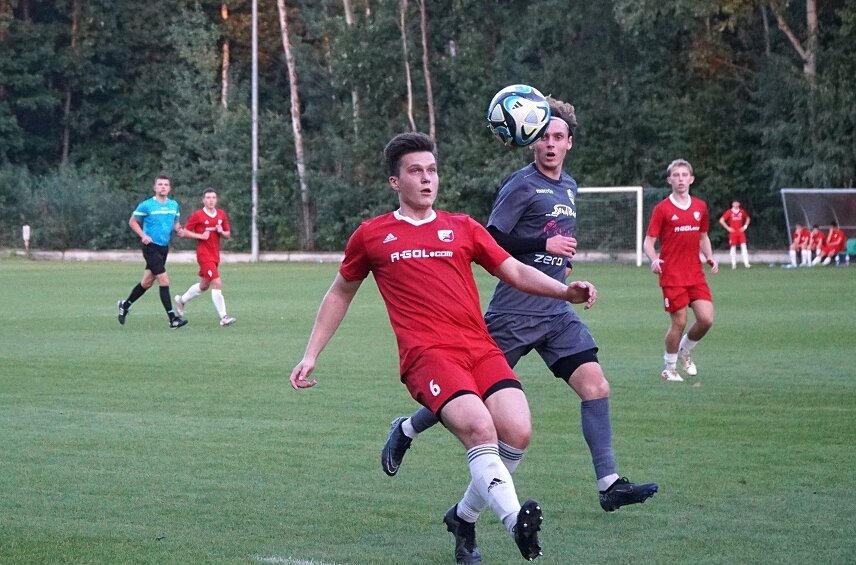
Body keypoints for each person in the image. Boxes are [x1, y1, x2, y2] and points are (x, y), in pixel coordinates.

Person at [290, 132, 600, 563]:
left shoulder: (463, 227)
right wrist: (310, 354)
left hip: (479, 346)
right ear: (394, 182)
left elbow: (512, 269)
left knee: (518, 431)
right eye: (415, 171)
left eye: (432, 170)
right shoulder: (372, 235)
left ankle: (463, 517)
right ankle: (516, 524)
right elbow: (340, 293)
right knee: (478, 427)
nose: (426, 179)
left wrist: (563, 292)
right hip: (427, 355)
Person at [380, 99, 658, 555]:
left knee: (596, 385)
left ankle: (609, 483)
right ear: (530, 139)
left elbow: (551, 255)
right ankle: (407, 429)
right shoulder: (520, 186)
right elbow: (491, 238)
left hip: (554, 310)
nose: (550, 144)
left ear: (569, 142)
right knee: (465, 395)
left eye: (557, 137)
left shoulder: (569, 185)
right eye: (542, 136)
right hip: (512, 313)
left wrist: (563, 278)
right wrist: (541, 241)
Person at [643, 159, 718, 382]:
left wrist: (710, 256)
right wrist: (654, 259)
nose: (681, 179)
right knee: (679, 321)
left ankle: (685, 350)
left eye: (685, 175)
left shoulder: (700, 207)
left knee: (706, 319)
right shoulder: (662, 209)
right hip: (672, 275)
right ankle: (669, 368)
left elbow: (703, 236)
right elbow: (648, 241)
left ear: (691, 179)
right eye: (676, 175)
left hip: (695, 274)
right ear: (669, 180)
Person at [117, 175, 187, 329]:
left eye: (166, 184)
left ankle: (125, 305)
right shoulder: (147, 205)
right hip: (150, 247)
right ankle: (172, 319)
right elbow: (132, 221)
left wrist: (179, 230)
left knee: (147, 283)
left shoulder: (174, 205)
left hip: (163, 248)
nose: (163, 187)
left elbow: (175, 223)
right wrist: (143, 235)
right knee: (164, 280)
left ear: (169, 188)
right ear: (155, 187)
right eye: (160, 184)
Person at [174, 188, 236, 326]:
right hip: (203, 254)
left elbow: (227, 234)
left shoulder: (221, 214)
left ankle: (181, 300)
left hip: (215, 254)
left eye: (213, 197)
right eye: (208, 198)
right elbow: (184, 232)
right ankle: (223, 317)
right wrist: (200, 236)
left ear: (216, 199)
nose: (211, 200)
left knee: (204, 286)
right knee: (217, 282)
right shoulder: (198, 215)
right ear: (203, 200)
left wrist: (222, 232)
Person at [718, 200, 751, 269]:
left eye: (737, 203)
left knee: (744, 248)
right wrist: (728, 228)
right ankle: (733, 264)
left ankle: (746, 264)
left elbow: (748, 218)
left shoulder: (742, 212)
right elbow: (721, 220)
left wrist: (745, 227)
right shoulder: (729, 212)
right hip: (733, 233)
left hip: (741, 232)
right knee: (733, 248)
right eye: (734, 203)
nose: (736, 204)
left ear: (739, 204)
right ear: (732, 204)